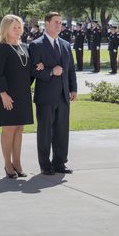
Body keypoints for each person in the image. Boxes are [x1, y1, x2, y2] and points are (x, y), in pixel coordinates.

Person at [0, 15, 41, 178]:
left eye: (20, 27)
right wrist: (3, 94)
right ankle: (7, 164)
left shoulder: (24, 46)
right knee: (9, 128)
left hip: (22, 93)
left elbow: (28, 71)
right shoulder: (1, 48)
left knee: (19, 128)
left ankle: (17, 163)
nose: (18, 30)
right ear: (6, 29)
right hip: (7, 94)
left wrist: (38, 68)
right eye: (14, 27)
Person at [29, 12, 77, 175]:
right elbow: (33, 70)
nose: (59, 25)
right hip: (45, 96)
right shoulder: (36, 45)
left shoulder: (65, 44)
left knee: (62, 131)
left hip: (63, 95)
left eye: (61, 22)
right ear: (47, 24)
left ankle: (60, 162)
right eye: (56, 22)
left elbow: (71, 69)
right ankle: (45, 165)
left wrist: (73, 88)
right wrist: (50, 72)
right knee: (45, 131)